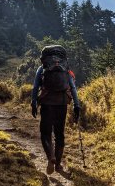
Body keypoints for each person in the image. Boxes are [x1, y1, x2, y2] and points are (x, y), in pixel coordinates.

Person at [31, 44, 80, 175]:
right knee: (60, 134)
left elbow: (35, 87)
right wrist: (77, 105)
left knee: (45, 133)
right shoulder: (66, 69)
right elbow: (73, 87)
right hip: (62, 103)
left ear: (44, 57)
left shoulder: (42, 69)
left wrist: (33, 102)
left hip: (47, 103)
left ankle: (50, 157)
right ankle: (58, 164)